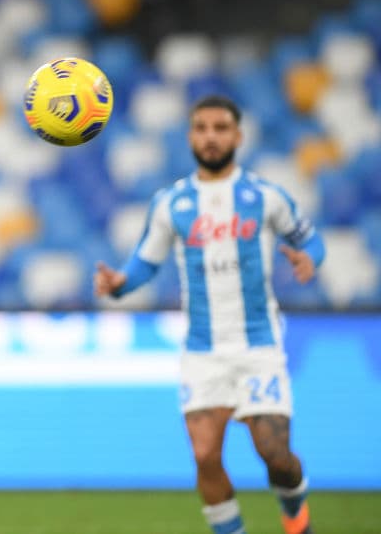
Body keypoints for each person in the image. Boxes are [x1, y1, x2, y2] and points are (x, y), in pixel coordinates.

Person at [93, 95, 323, 534]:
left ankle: (295, 509)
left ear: (237, 136)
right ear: (190, 136)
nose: (211, 136)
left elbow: (311, 240)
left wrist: (310, 257)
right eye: (202, 128)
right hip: (202, 350)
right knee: (205, 456)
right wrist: (121, 283)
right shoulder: (171, 203)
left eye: (220, 128)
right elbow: (146, 261)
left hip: (258, 346)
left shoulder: (267, 197)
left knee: (276, 458)